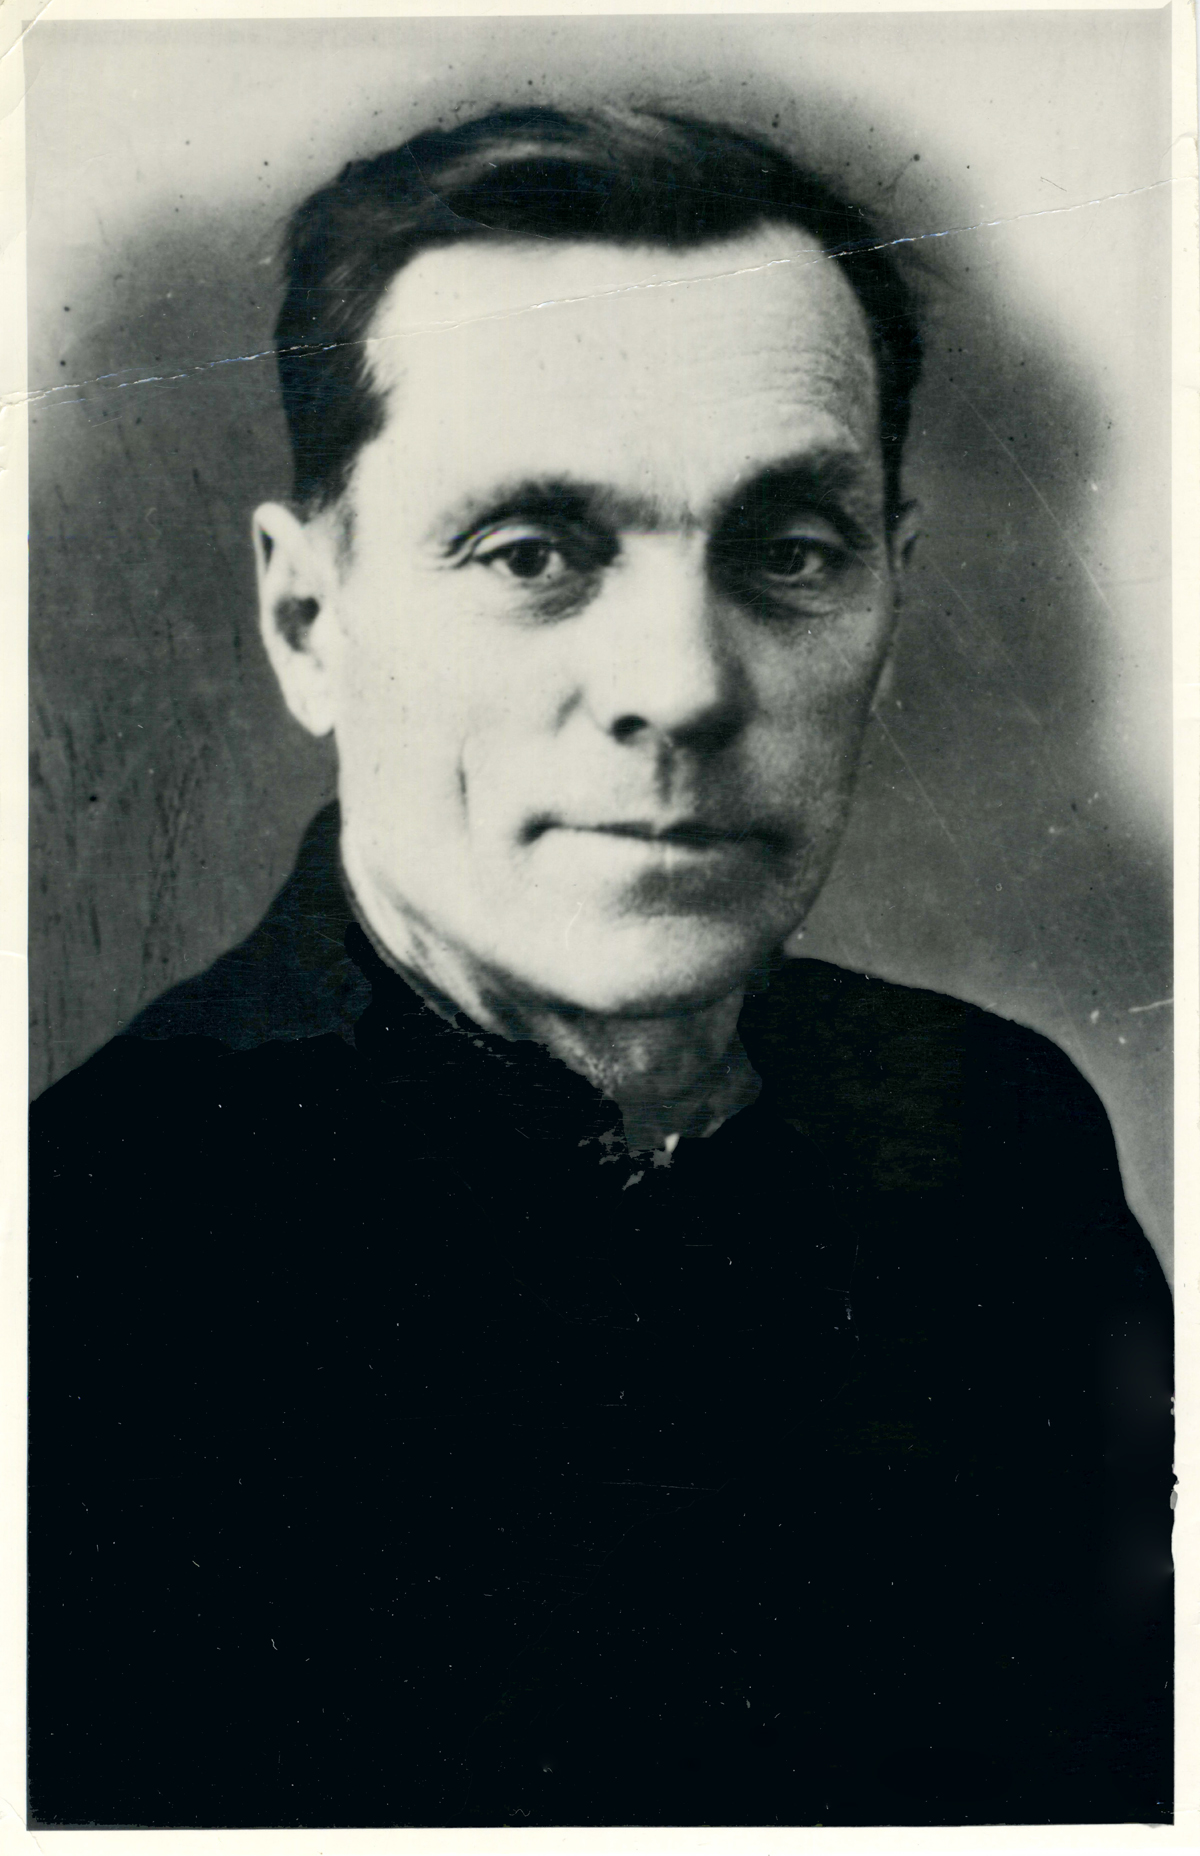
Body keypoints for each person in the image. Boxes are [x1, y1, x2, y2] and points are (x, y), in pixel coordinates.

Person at [28, 106, 1172, 1830]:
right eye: (532, 554)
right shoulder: (84, 1267)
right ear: (306, 622)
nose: (684, 686)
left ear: (890, 605)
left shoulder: (1000, 1144)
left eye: (789, 551)